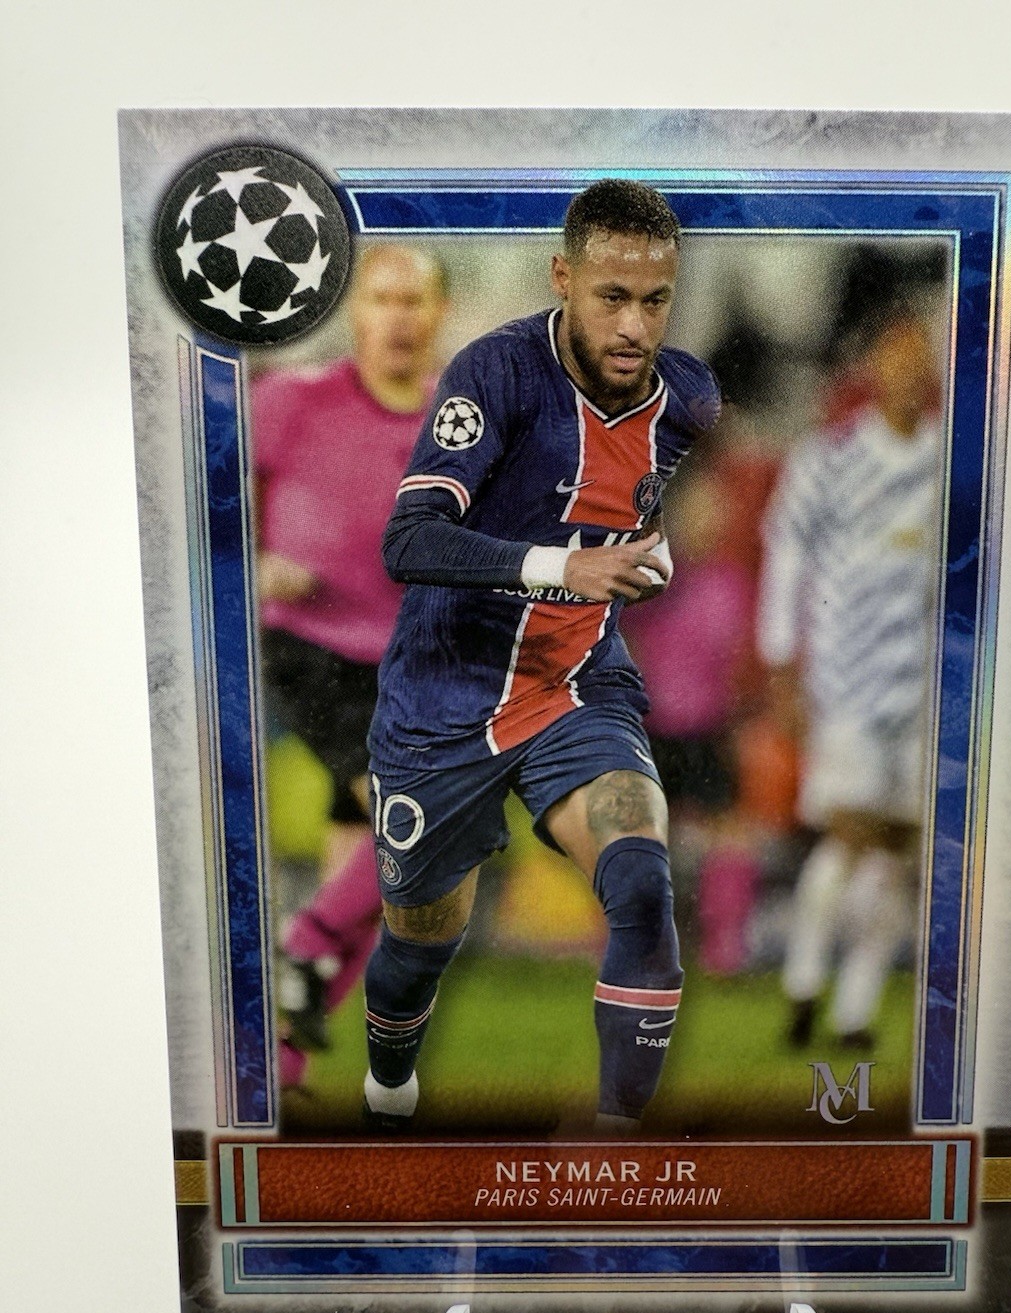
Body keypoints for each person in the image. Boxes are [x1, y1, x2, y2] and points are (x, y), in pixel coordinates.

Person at [360, 179, 721, 1134]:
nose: (634, 326)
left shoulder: (689, 398)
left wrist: (650, 555)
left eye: (656, 300)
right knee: (419, 944)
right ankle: (388, 1082)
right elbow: (410, 539)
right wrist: (565, 566)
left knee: (641, 881)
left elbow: (632, 509)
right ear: (563, 278)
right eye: (612, 297)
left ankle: (616, 1148)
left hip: (573, 685)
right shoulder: (497, 374)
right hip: (444, 697)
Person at [253, 245, 449, 1082]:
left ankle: (281, 1060)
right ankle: (298, 949)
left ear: (440, 314)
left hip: (407, 666)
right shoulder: (290, 399)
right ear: (354, 312)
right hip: (311, 646)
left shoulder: (459, 425)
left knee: (383, 884)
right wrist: (252, 561)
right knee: (416, 832)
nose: (398, 317)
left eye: (414, 300)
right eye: (382, 299)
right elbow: (195, 504)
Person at [757, 302, 942, 1050]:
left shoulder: (953, 465)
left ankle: (853, 1012)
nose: (907, 369)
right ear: (871, 367)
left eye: (918, 355)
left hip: (925, 690)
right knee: (849, 832)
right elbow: (785, 558)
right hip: (846, 682)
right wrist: (781, 662)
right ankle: (804, 980)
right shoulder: (827, 460)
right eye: (893, 354)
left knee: (895, 852)